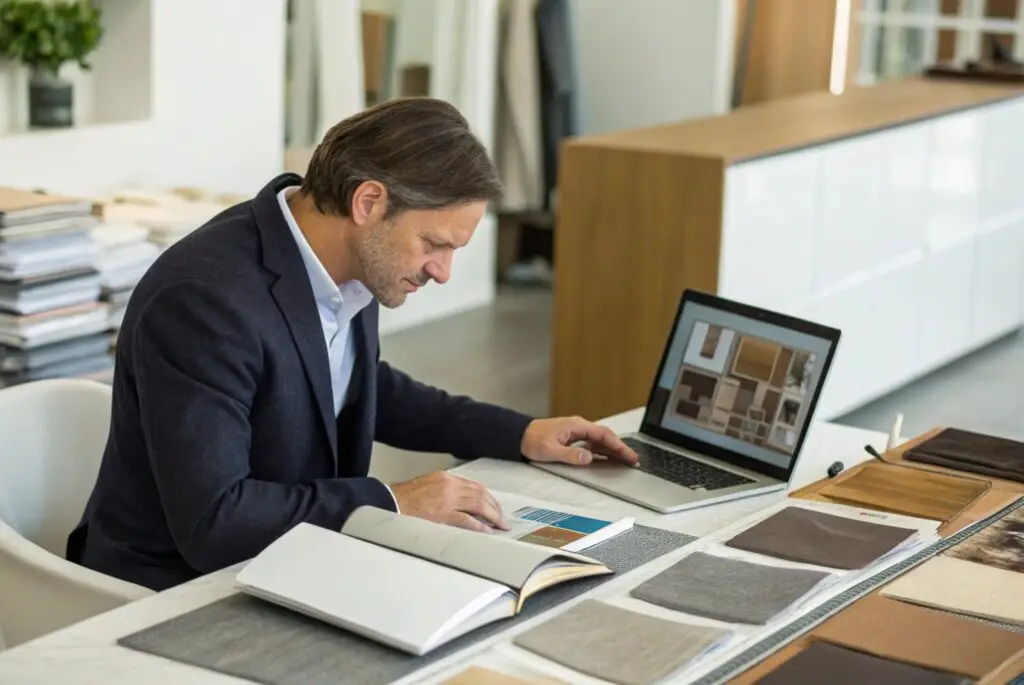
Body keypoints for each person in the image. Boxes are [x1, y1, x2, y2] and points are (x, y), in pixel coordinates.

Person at [67, 97, 638, 592]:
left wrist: (519, 432)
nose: (442, 271)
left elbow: (359, 388)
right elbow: (216, 522)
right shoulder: (205, 301)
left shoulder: (349, 268)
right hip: (174, 587)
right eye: (434, 244)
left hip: (291, 557)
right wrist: (393, 502)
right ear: (368, 203)